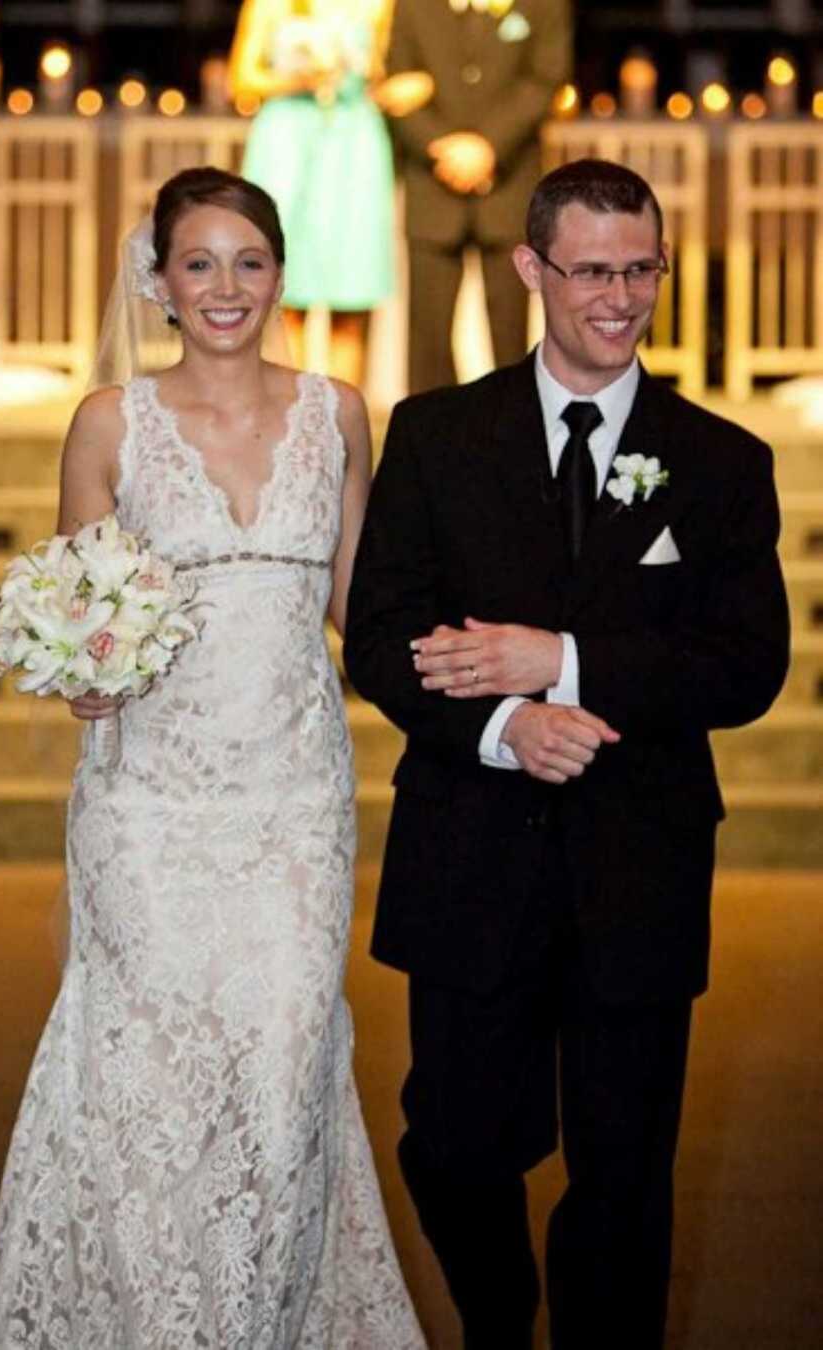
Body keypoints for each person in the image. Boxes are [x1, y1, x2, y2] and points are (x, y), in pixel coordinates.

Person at [0, 167, 426, 1350]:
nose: (225, 287)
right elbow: (78, 599)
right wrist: (79, 664)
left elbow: (356, 609)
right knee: (149, 1085)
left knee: (282, 1072)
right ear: (161, 281)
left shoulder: (338, 413)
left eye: (250, 262)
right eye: (199, 264)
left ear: (280, 273)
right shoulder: (109, 423)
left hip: (291, 801)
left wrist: (491, 671)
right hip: (147, 810)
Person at [343, 158, 790, 1349]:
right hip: (468, 859)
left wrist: (569, 663)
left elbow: (747, 665)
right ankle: (500, 1322)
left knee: (626, 1178)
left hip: (637, 870)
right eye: (592, 270)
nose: (620, 297)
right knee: (453, 1144)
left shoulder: (722, 461)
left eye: (640, 268)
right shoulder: (434, 436)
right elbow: (382, 639)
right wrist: (501, 727)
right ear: (530, 267)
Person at [384, 0, 572, 393]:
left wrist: (488, 146)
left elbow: (546, 78)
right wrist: (442, 147)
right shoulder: (412, 6)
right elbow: (396, 83)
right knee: (427, 337)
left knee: (510, 334)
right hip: (432, 185)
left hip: (509, 185)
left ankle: (513, 442)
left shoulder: (543, 6)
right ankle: (433, 446)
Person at [230, 0, 395, 386]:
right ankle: (292, 420)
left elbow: (385, 71)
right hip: (287, 142)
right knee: (287, 293)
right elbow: (242, 78)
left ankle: (342, 422)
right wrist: (298, 80)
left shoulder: (379, 5)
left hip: (352, 139)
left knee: (352, 296)